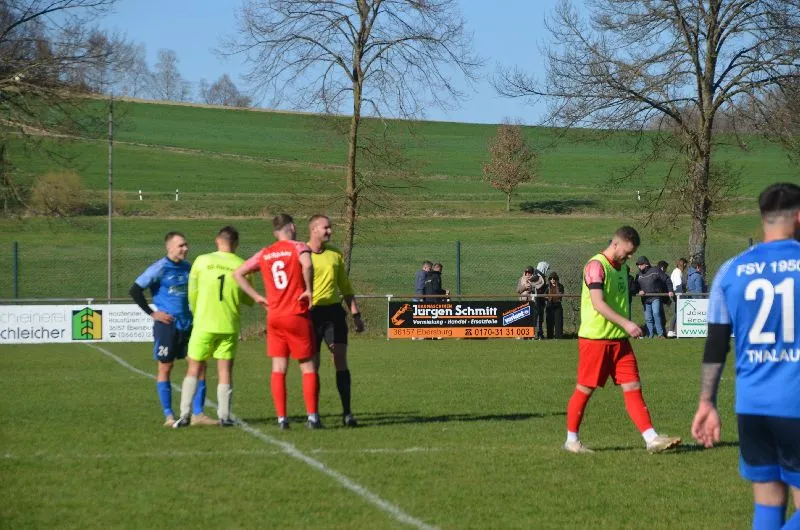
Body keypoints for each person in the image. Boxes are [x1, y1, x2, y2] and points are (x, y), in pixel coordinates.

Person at [691, 183, 800, 530]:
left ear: (763, 218)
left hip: (752, 407)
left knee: (767, 504)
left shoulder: (731, 270)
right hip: (795, 404)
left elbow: (715, 344)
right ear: (799, 217)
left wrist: (706, 402)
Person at [564, 226, 681, 454]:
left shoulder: (622, 268)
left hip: (619, 341)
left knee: (633, 385)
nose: (629, 257)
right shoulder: (596, 266)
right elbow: (598, 303)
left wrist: (623, 328)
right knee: (585, 389)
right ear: (615, 244)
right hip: (596, 340)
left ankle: (651, 439)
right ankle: (572, 441)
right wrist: (627, 323)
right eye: (627, 252)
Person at [232, 214, 321, 430]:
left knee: (279, 368)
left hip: (274, 317)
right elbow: (307, 265)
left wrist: (257, 297)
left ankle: (282, 419)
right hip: (296, 314)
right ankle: (312, 417)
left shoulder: (265, 253)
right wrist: (309, 289)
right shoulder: (298, 247)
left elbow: (238, 273)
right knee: (308, 367)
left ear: (275, 233)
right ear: (292, 227)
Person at [129, 231, 212, 427]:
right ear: (169, 248)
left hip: (188, 325)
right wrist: (153, 313)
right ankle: (169, 415)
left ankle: (198, 414)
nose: (185, 248)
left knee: (200, 365)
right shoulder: (159, 268)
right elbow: (135, 290)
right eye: (181, 245)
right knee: (166, 367)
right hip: (167, 326)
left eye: (186, 245)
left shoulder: (188, 268)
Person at [173, 226, 253, 428]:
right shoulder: (242, 265)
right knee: (225, 370)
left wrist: (196, 312)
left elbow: (192, 292)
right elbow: (248, 299)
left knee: (194, 367)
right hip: (228, 324)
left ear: (217, 240)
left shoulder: (202, 261)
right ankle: (225, 416)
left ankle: (184, 415)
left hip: (204, 323)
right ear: (236, 244)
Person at [307, 214, 365, 427]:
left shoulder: (335, 254)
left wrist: (356, 315)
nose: (330, 231)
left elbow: (346, 287)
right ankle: (313, 415)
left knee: (340, 358)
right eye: (326, 227)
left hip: (333, 314)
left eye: (330, 227)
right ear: (313, 229)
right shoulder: (302, 254)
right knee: (313, 366)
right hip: (311, 314)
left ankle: (347, 413)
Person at [633, 256, 674, 338]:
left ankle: (660, 334)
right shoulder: (638, 275)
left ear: (646, 264)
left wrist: (670, 290)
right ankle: (650, 336)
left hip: (656, 297)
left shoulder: (656, 270)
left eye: (640, 264)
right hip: (645, 299)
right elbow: (635, 286)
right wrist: (639, 290)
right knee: (648, 318)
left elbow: (667, 279)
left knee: (656, 313)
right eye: (638, 265)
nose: (639, 266)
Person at [667, 258, 688, 336]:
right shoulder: (677, 272)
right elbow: (678, 285)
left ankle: (674, 330)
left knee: (677, 312)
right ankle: (671, 330)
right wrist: (682, 297)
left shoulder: (676, 271)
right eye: (685, 264)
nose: (686, 266)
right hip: (677, 294)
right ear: (683, 264)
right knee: (678, 312)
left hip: (676, 293)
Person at [545, 271, 564, 339]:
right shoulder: (547, 286)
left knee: (558, 321)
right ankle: (550, 336)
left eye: (554, 278)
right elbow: (544, 295)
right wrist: (547, 297)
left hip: (557, 305)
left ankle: (558, 336)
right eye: (551, 278)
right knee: (549, 321)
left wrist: (558, 295)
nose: (552, 280)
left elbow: (561, 294)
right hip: (550, 305)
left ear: (556, 279)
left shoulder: (560, 286)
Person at [533, 261, 550, 339]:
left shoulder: (539, 275)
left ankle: (539, 333)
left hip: (540, 300)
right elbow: (537, 287)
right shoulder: (537, 276)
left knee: (540, 317)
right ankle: (536, 334)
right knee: (537, 317)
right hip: (537, 300)